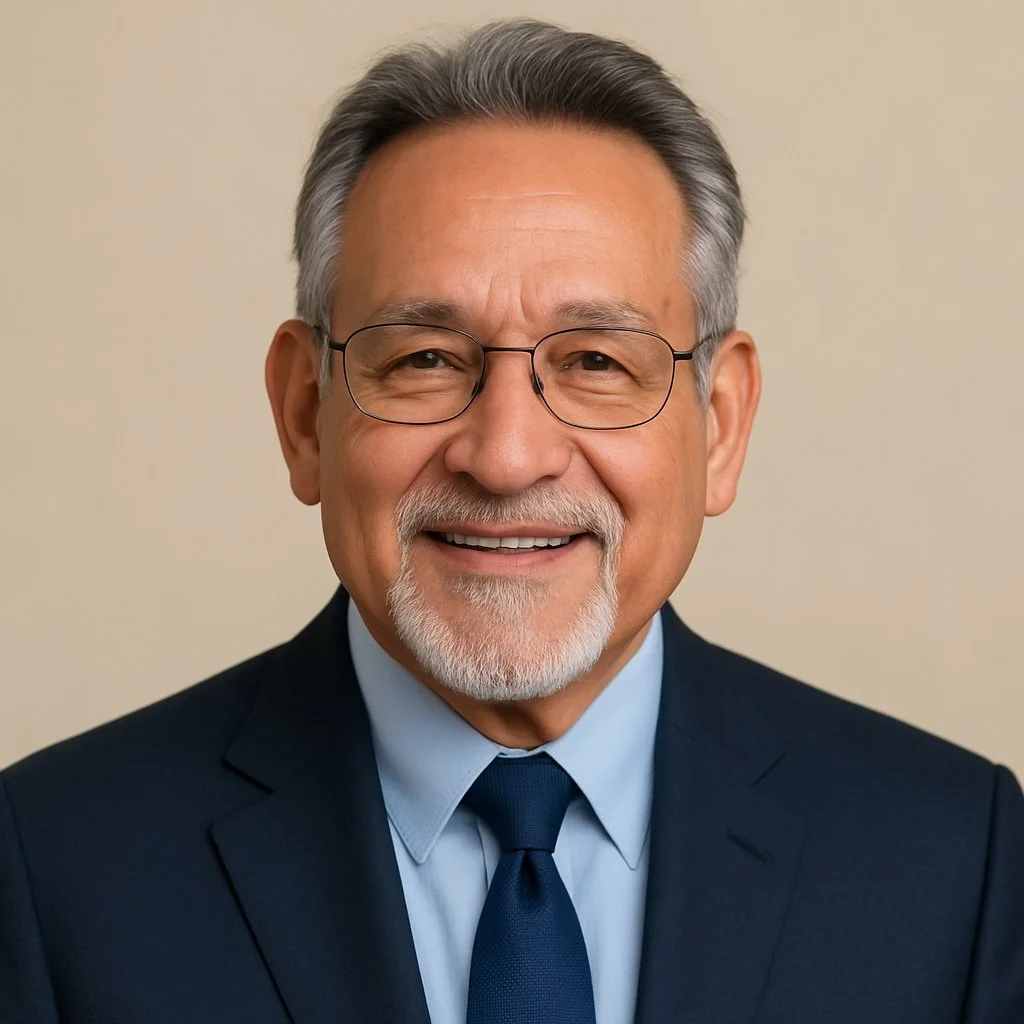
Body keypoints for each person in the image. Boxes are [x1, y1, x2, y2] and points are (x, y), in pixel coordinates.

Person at [1, 18, 1021, 1024]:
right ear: (305, 413)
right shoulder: (54, 869)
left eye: (594, 362)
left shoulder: (951, 863)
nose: (505, 455)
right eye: (425, 360)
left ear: (719, 425)